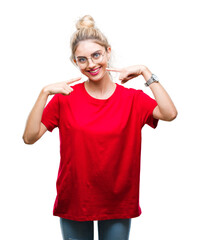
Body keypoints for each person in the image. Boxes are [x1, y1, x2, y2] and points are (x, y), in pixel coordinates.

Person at [23, 15, 177, 240]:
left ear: (108, 52)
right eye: (82, 59)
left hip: (117, 199)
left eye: (96, 55)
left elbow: (170, 113)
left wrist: (145, 71)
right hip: (75, 198)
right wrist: (44, 92)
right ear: (76, 62)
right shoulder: (64, 98)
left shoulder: (132, 99)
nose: (92, 64)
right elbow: (29, 137)